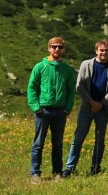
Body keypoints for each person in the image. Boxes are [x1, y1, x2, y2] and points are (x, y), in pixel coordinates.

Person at [63, 39, 108, 177]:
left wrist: (101, 103)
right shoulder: (86, 64)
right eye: (101, 50)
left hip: (103, 109)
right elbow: (79, 85)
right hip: (86, 107)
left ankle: (95, 168)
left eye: (106, 50)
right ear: (96, 51)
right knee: (78, 138)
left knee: (100, 140)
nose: (104, 53)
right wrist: (91, 102)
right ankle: (70, 168)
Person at [28, 37, 76, 183]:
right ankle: (35, 173)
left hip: (60, 112)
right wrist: (36, 108)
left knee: (58, 144)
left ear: (63, 50)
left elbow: (70, 91)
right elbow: (32, 88)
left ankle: (57, 172)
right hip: (43, 112)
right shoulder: (39, 67)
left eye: (60, 47)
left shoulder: (67, 69)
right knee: (38, 144)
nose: (57, 49)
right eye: (54, 47)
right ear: (49, 48)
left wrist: (67, 109)